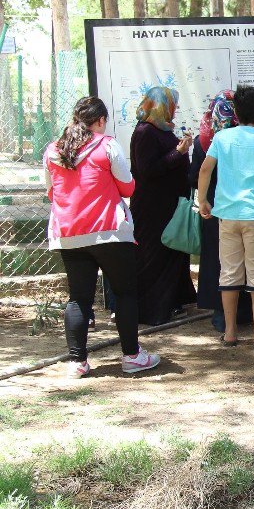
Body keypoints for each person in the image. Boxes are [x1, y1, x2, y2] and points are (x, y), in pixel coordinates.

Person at [45, 97, 160, 378]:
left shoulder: (53, 150)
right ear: (99, 121)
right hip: (109, 231)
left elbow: (50, 191)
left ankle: (78, 362)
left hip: (69, 233)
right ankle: (132, 356)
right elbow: (128, 186)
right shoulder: (107, 145)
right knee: (125, 292)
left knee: (78, 298)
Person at [198, 85, 254, 348]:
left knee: (230, 273)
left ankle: (231, 332)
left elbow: (205, 169)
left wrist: (203, 201)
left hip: (227, 217)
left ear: (235, 111)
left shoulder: (221, 139)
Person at [130, 86, 196, 326]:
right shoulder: (145, 132)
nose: (174, 111)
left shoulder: (162, 129)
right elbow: (148, 170)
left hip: (169, 204)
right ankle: (152, 310)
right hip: (152, 207)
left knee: (171, 252)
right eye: (171, 106)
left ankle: (172, 303)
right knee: (153, 256)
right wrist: (178, 154)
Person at [189, 91, 253, 333]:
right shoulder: (244, 138)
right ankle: (245, 312)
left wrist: (204, 197)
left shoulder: (202, 141)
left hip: (214, 210)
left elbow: (194, 176)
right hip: (243, 208)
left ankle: (221, 315)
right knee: (244, 260)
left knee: (218, 262)